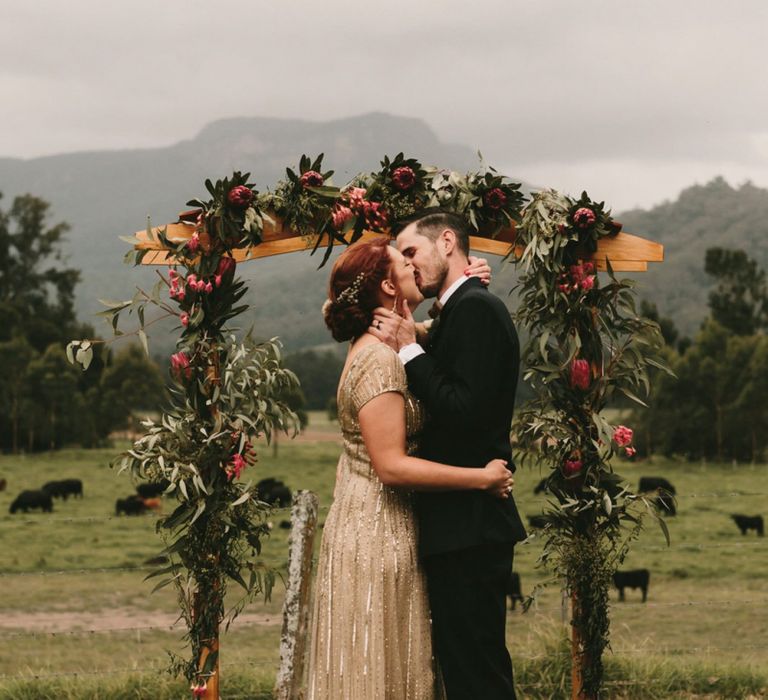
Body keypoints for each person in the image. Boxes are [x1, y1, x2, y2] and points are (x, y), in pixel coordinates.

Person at [307, 236, 514, 700]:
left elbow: (422, 335)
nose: (415, 267)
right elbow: (393, 467)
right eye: (406, 262)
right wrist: (482, 478)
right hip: (377, 529)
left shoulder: (387, 340)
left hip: (388, 523)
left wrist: (459, 289)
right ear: (387, 283)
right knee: (378, 668)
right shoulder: (380, 361)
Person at [370, 208, 527, 700]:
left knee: (477, 673)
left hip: (471, 524)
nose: (409, 265)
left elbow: (465, 410)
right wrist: (417, 332)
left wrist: (409, 353)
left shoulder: (477, 309)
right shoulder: (458, 310)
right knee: (466, 668)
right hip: (462, 523)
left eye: (412, 252)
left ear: (446, 243)